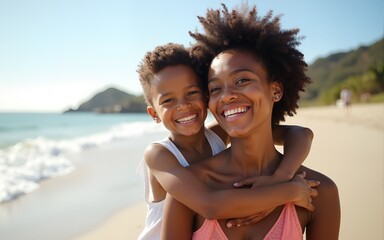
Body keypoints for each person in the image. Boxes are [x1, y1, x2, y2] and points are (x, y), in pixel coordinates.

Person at [161, 3, 340, 240]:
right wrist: (282, 189)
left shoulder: (319, 191)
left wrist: (279, 181)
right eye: (215, 88)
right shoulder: (191, 190)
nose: (227, 96)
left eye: (242, 80)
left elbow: (301, 133)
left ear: (275, 90)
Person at [137, 43, 319, 240]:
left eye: (191, 93)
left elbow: (301, 134)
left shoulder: (219, 133)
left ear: (206, 96)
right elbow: (209, 205)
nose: (183, 106)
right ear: (154, 114)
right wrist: (288, 191)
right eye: (168, 101)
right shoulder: (158, 154)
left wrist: (282, 175)